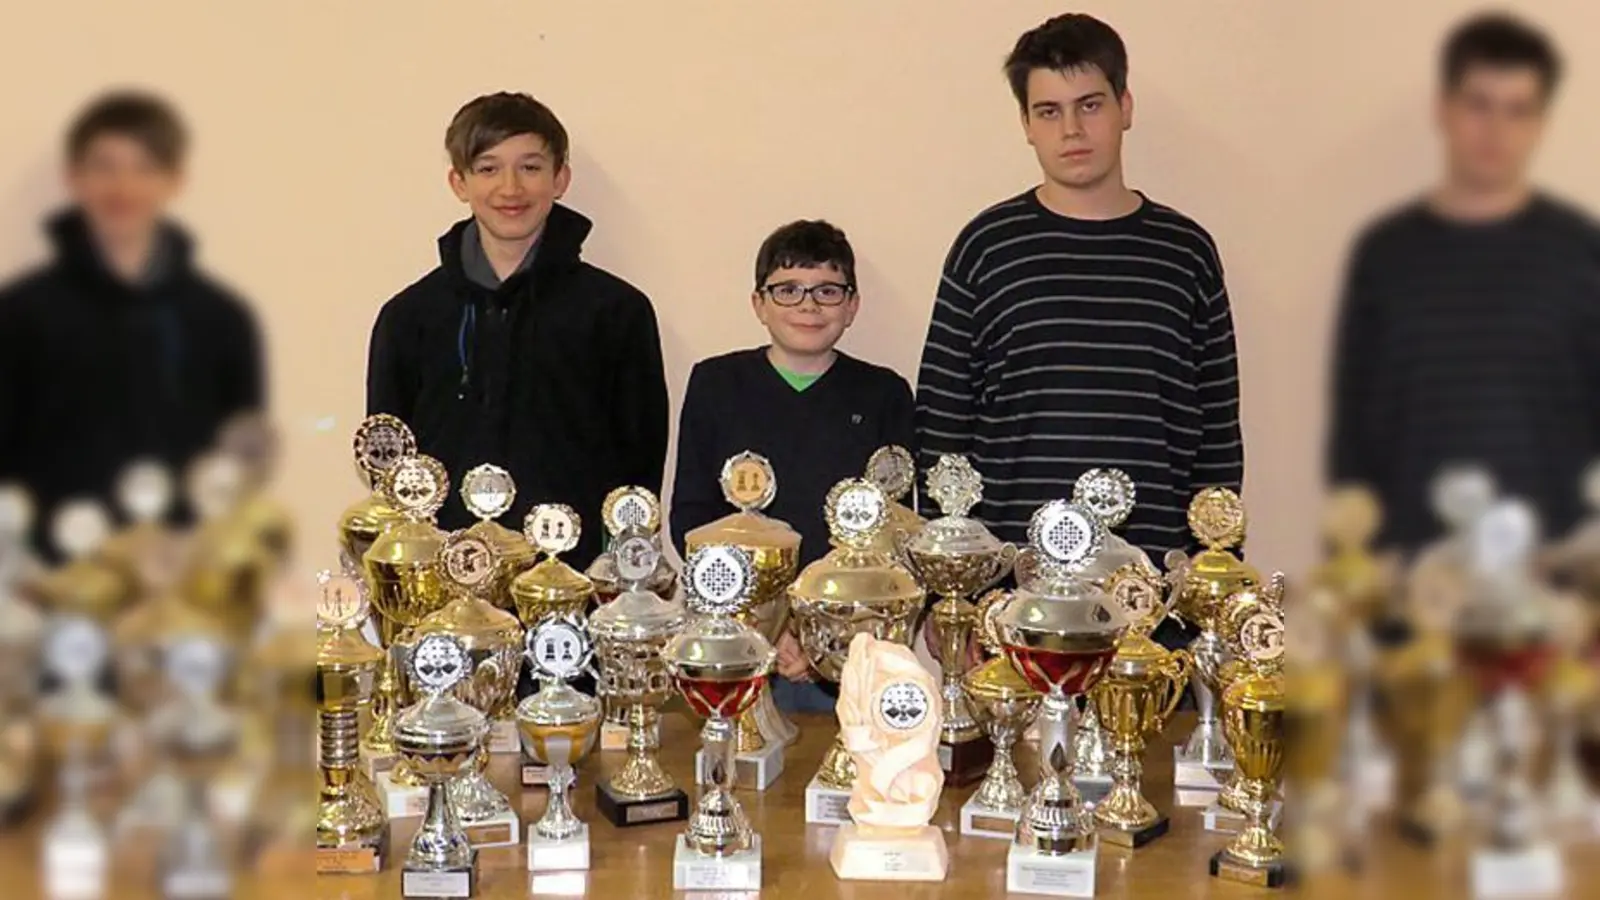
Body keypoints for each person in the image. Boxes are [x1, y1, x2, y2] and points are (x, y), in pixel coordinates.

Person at [913, 14, 1245, 572]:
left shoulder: (1187, 252)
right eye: (1049, 111)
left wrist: (1217, 567)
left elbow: (1217, 434)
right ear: (1026, 124)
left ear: (1125, 107)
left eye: (1089, 105)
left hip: (1152, 584)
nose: (1071, 129)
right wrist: (956, 575)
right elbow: (943, 423)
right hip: (1013, 586)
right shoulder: (986, 247)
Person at [1327, 13, 1599, 554]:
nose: (1496, 131)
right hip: (1410, 571)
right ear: (1444, 108)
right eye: (1479, 104)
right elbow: (1353, 436)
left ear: (1541, 123)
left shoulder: (1580, 252)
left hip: (1553, 573)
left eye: (1518, 110)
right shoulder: (1384, 255)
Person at [366, 92, 669, 568]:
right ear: (459, 182)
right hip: (442, 577)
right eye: (488, 168)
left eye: (530, 167)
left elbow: (639, 468)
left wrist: (615, 573)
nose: (510, 188)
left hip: (574, 576)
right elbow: (388, 460)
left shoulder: (616, 313)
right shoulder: (409, 317)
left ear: (560, 179)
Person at [0, 91, 265, 557]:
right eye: (105, 167)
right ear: (74, 177)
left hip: (181, 573)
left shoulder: (221, 318)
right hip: (50, 574)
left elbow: (238, 460)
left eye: (144, 168)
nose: (123, 187)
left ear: (175, 180)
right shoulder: (21, 313)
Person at [669, 219, 914, 710]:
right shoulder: (716, 384)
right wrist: (768, 623)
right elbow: (691, 520)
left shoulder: (884, 393)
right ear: (758, 304)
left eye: (827, 290)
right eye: (787, 290)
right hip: (737, 636)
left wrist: (820, 631)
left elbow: (896, 532)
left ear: (852, 306)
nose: (808, 305)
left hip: (850, 644)